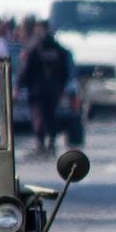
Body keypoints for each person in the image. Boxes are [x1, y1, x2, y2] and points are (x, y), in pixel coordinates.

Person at [18, 20, 73, 154]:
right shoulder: (58, 49)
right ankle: (51, 141)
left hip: (37, 89)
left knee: (38, 115)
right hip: (53, 88)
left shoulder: (34, 47)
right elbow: (65, 71)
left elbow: (26, 69)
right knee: (51, 115)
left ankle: (41, 142)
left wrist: (18, 85)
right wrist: (62, 87)